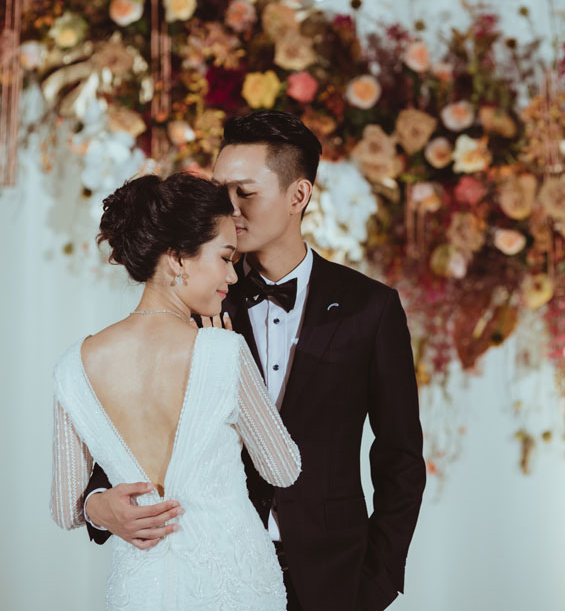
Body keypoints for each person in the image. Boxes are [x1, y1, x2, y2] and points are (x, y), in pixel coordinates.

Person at [83, 111, 426, 611]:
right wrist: (97, 506)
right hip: (209, 576)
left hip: (334, 579)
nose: (229, 207)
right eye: (220, 190)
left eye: (244, 192)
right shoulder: (193, 299)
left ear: (298, 195)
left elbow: (400, 458)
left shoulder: (370, 308)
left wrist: (377, 582)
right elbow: (126, 429)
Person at [51, 172, 301, 611]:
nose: (232, 275)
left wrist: (99, 506)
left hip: (141, 589)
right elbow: (282, 469)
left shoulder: (73, 366)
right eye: (225, 258)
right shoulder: (223, 352)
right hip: (236, 584)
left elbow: (64, 507)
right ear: (177, 259)